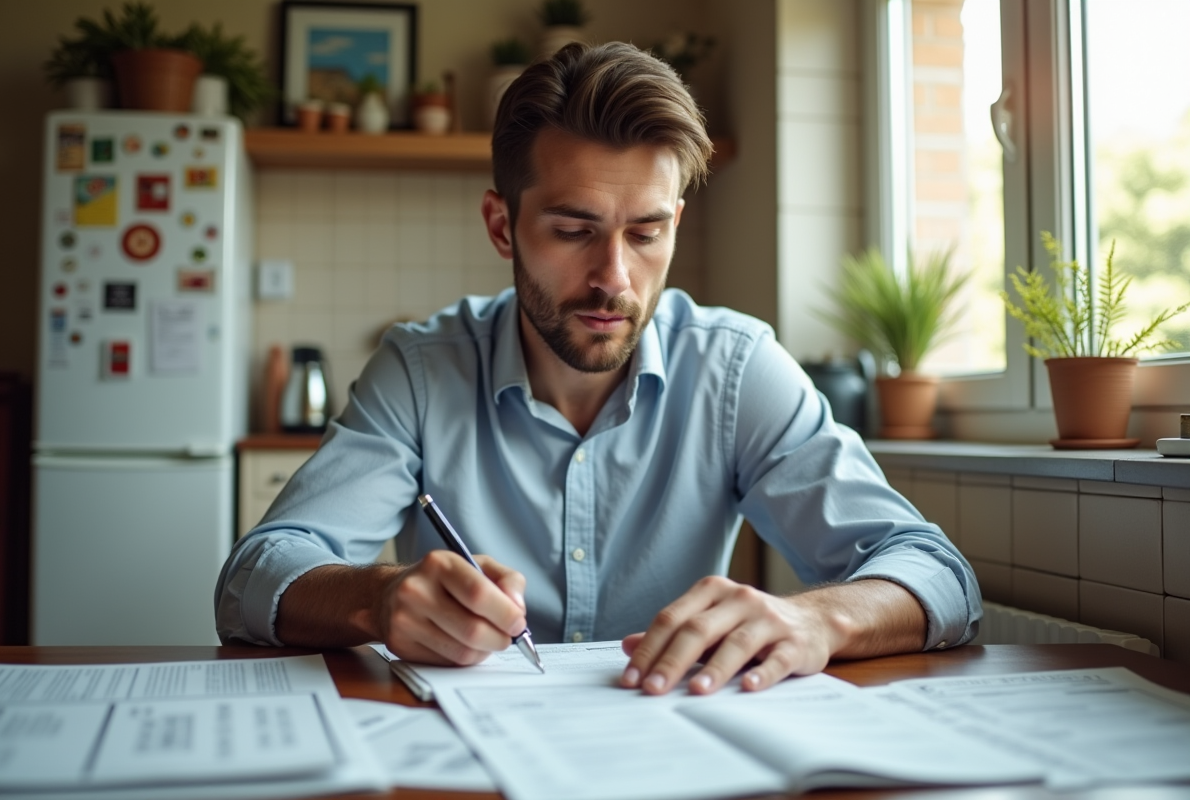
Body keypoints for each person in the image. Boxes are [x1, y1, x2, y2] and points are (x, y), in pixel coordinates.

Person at [216, 41, 981, 696]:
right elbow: (255, 576)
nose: (614, 276)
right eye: (573, 230)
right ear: (500, 224)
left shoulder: (736, 368)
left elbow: (939, 574)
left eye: (646, 232)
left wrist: (815, 617)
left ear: (675, 224)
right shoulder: (422, 370)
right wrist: (376, 601)